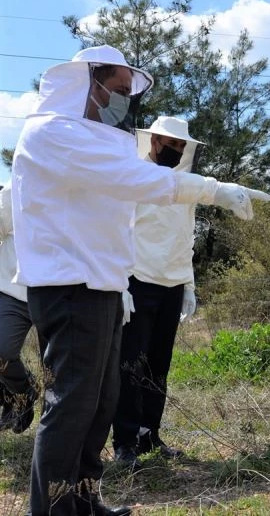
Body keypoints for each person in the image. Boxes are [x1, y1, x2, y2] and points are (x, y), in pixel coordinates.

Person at [11, 45, 270, 516]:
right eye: (116, 90)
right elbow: (138, 181)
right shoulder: (54, 133)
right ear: (86, 82)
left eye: (126, 95)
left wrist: (120, 285)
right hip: (70, 289)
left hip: (100, 287)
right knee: (71, 410)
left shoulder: (86, 138)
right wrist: (212, 190)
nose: (121, 102)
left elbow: (111, 220)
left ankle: (85, 505)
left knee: (98, 408)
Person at [111, 116, 205, 469]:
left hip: (172, 285)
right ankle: (124, 443)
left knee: (158, 366)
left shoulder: (185, 187)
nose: (175, 149)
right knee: (130, 365)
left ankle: (150, 435)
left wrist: (189, 284)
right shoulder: (134, 179)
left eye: (181, 145)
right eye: (170, 143)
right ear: (152, 142)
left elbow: (186, 239)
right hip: (138, 281)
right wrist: (120, 284)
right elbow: (118, 231)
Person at [0, 181, 38, 435]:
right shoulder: (15, 187)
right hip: (13, 288)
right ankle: (22, 392)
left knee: (60, 371)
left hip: (60, 290)